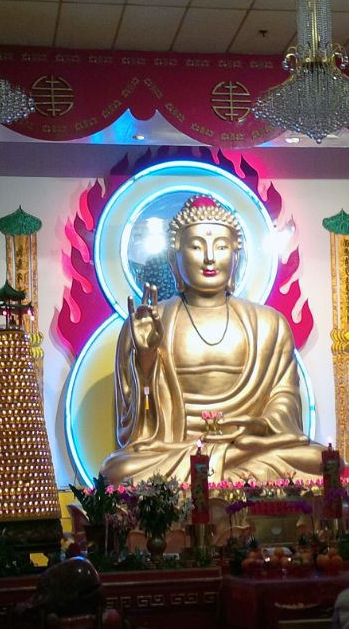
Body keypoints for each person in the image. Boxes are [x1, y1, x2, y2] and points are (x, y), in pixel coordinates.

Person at [102, 194, 330, 484]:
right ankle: (222, 473)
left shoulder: (269, 324)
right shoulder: (148, 322)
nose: (210, 257)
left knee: (319, 460)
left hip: (248, 447)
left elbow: (285, 399)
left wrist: (259, 425)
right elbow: (135, 433)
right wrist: (145, 360)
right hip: (177, 451)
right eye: (196, 246)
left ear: (237, 255)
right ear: (175, 257)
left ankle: (218, 470)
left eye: (221, 246)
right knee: (118, 471)